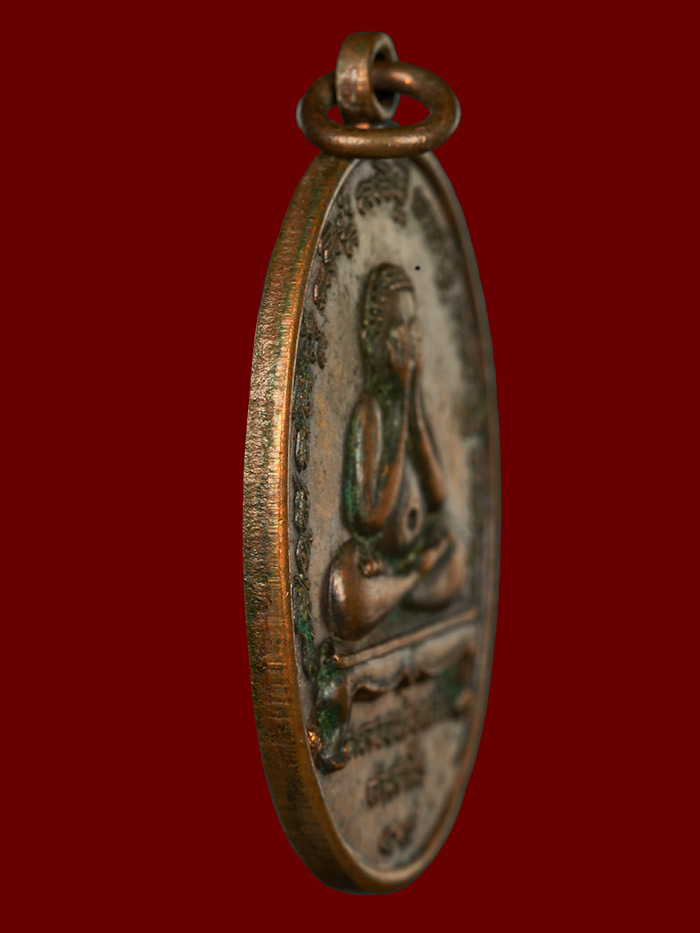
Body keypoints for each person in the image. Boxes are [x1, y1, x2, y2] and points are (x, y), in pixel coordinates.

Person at [329, 263, 464, 642]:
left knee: (456, 556)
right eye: (399, 329)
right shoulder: (371, 409)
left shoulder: (413, 402)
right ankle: (412, 579)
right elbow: (370, 517)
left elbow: (437, 495)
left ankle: (410, 581)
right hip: (377, 568)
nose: (410, 340)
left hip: (410, 558)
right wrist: (402, 398)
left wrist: (413, 395)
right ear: (376, 341)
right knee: (347, 596)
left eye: (413, 327)